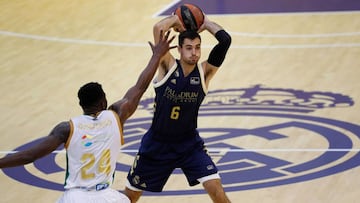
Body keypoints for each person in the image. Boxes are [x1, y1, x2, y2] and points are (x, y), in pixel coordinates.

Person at [0, 30, 175, 203]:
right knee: (129, 197)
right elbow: (140, 87)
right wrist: (157, 55)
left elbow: (29, 156)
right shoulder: (116, 116)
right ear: (103, 102)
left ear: (81, 105)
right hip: (106, 196)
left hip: (75, 198)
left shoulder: (66, 129)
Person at [124, 12, 232, 203]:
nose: (194, 53)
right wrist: (176, 19)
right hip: (157, 144)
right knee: (130, 197)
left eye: (198, 48)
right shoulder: (167, 67)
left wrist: (206, 23)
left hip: (189, 144)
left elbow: (225, 41)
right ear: (180, 50)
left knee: (217, 191)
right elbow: (158, 29)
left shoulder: (205, 72)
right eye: (189, 48)